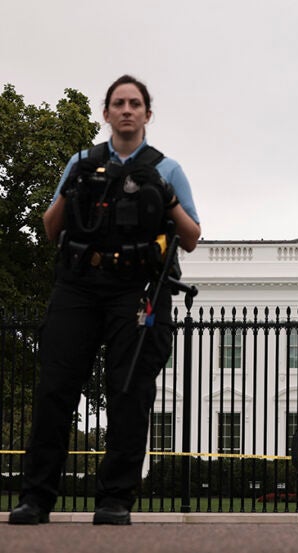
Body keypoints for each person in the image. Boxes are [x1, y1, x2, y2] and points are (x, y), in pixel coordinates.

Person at [9, 75, 201, 526]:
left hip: (136, 290)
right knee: (56, 390)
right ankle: (36, 499)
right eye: (119, 103)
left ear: (147, 115)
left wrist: (167, 197)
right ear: (107, 113)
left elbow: (191, 237)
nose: (127, 110)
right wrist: (71, 185)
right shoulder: (81, 162)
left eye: (136, 103)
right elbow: (50, 228)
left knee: (130, 392)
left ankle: (115, 499)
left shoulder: (167, 168)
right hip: (79, 285)